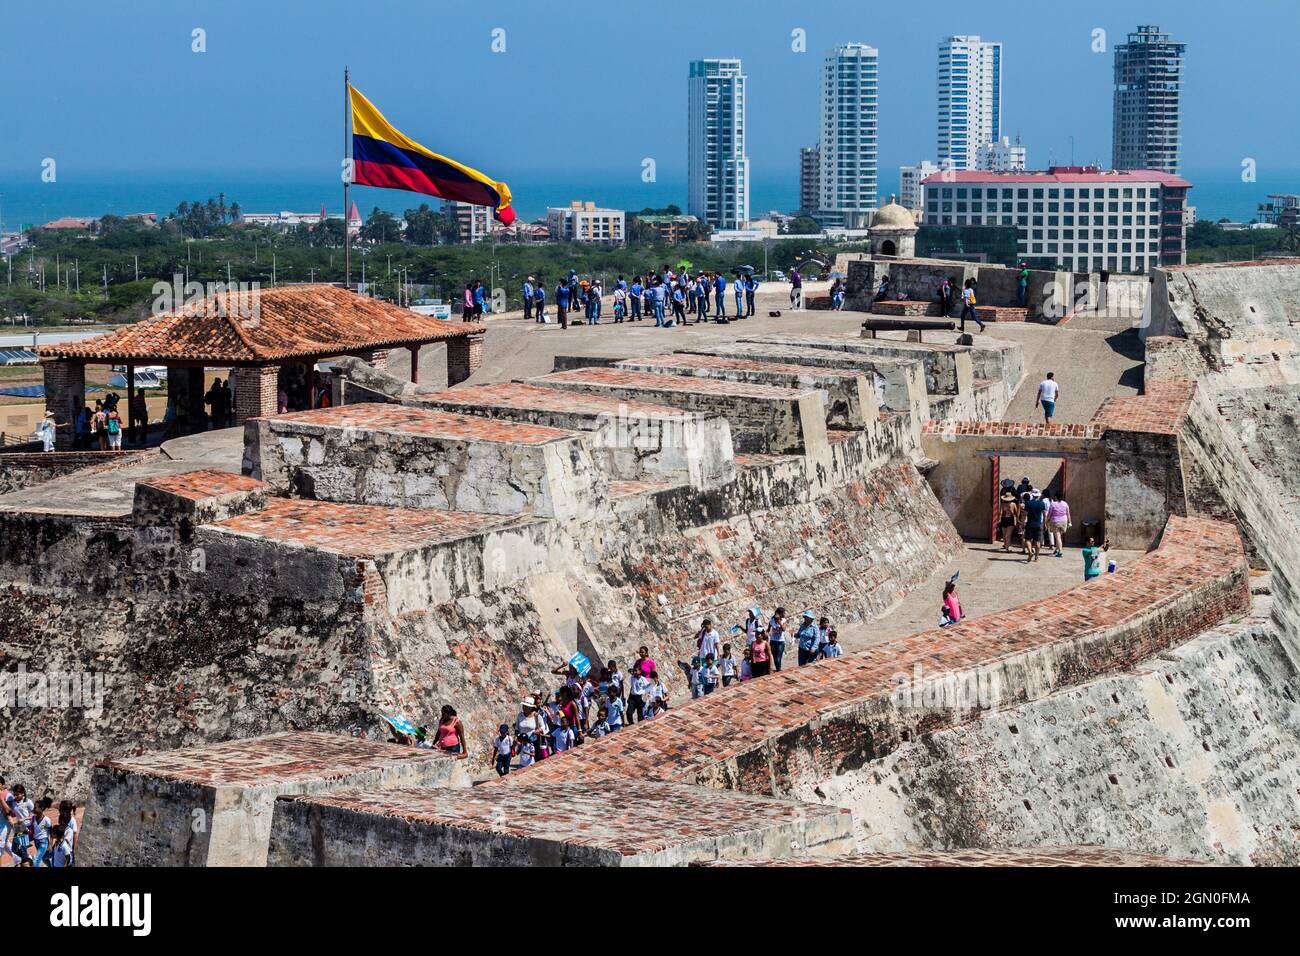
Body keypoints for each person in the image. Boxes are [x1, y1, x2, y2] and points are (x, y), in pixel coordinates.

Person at [1024, 489, 1048, 562]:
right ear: (1038, 495)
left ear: (1032, 495)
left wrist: (1022, 523)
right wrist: (1045, 524)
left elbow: (1025, 515)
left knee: (1028, 539)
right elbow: (1044, 515)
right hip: (1038, 524)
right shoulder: (1042, 503)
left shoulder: (1028, 503)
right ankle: (1036, 556)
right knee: (1037, 541)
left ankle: (1030, 552)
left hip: (1030, 523)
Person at [767, 607, 787, 672]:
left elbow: (783, 629)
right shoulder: (771, 621)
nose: (784, 614)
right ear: (779, 613)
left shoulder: (784, 620)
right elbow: (768, 630)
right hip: (773, 641)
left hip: (780, 641)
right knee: (775, 657)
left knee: (778, 657)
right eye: (783, 613)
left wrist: (779, 621)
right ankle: (778, 670)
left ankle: (778, 670)